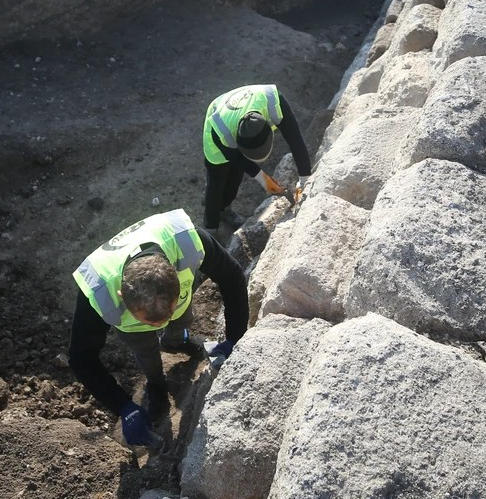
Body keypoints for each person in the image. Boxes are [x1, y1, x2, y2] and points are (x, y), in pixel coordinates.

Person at [68, 208, 247, 447]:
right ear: (122, 296)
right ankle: (156, 383)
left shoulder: (187, 243)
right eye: (149, 322)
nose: (158, 325)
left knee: (182, 319)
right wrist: (124, 407)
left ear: (175, 274)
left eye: (165, 315)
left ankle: (176, 341)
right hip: (135, 328)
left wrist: (235, 338)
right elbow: (81, 358)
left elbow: (232, 276)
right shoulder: (100, 290)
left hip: (176, 303)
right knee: (145, 350)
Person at [202, 84, 312, 235]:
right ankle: (211, 227)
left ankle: (225, 209)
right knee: (217, 182)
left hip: (233, 115)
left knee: (235, 177)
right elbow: (236, 158)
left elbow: (296, 141)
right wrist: (263, 179)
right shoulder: (222, 130)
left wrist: (304, 180)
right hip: (217, 119)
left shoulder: (275, 103)